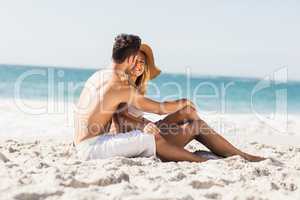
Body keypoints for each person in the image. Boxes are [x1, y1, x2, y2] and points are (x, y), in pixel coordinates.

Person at [110, 43, 265, 162]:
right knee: (196, 125)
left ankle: (227, 150)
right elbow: (120, 117)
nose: (139, 66)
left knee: (188, 112)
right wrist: (143, 124)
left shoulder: (135, 86)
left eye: (142, 62)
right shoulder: (122, 84)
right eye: (135, 61)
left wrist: (146, 122)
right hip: (138, 139)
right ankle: (240, 155)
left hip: (145, 130)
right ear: (128, 62)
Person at [74, 33, 208, 162]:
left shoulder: (97, 76)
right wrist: (184, 102)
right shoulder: (120, 84)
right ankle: (200, 160)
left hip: (82, 144)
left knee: (150, 136)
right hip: (92, 149)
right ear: (131, 58)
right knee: (151, 138)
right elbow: (158, 109)